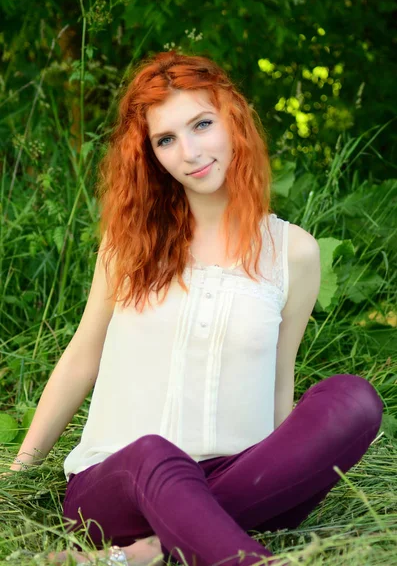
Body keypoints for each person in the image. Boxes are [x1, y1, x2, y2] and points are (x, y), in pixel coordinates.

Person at [9, 51, 383, 566]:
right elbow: (83, 355)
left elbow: (280, 379)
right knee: (155, 452)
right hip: (121, 484)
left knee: (355, 398)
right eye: (166, 139)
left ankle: (152, 553)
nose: (189, 152)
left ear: (231, 118)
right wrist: (19, 473)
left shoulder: (294, 252)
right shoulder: (129, 244)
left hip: (237, 478)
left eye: (201, 124)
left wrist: (281, 470)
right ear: (152, 155)